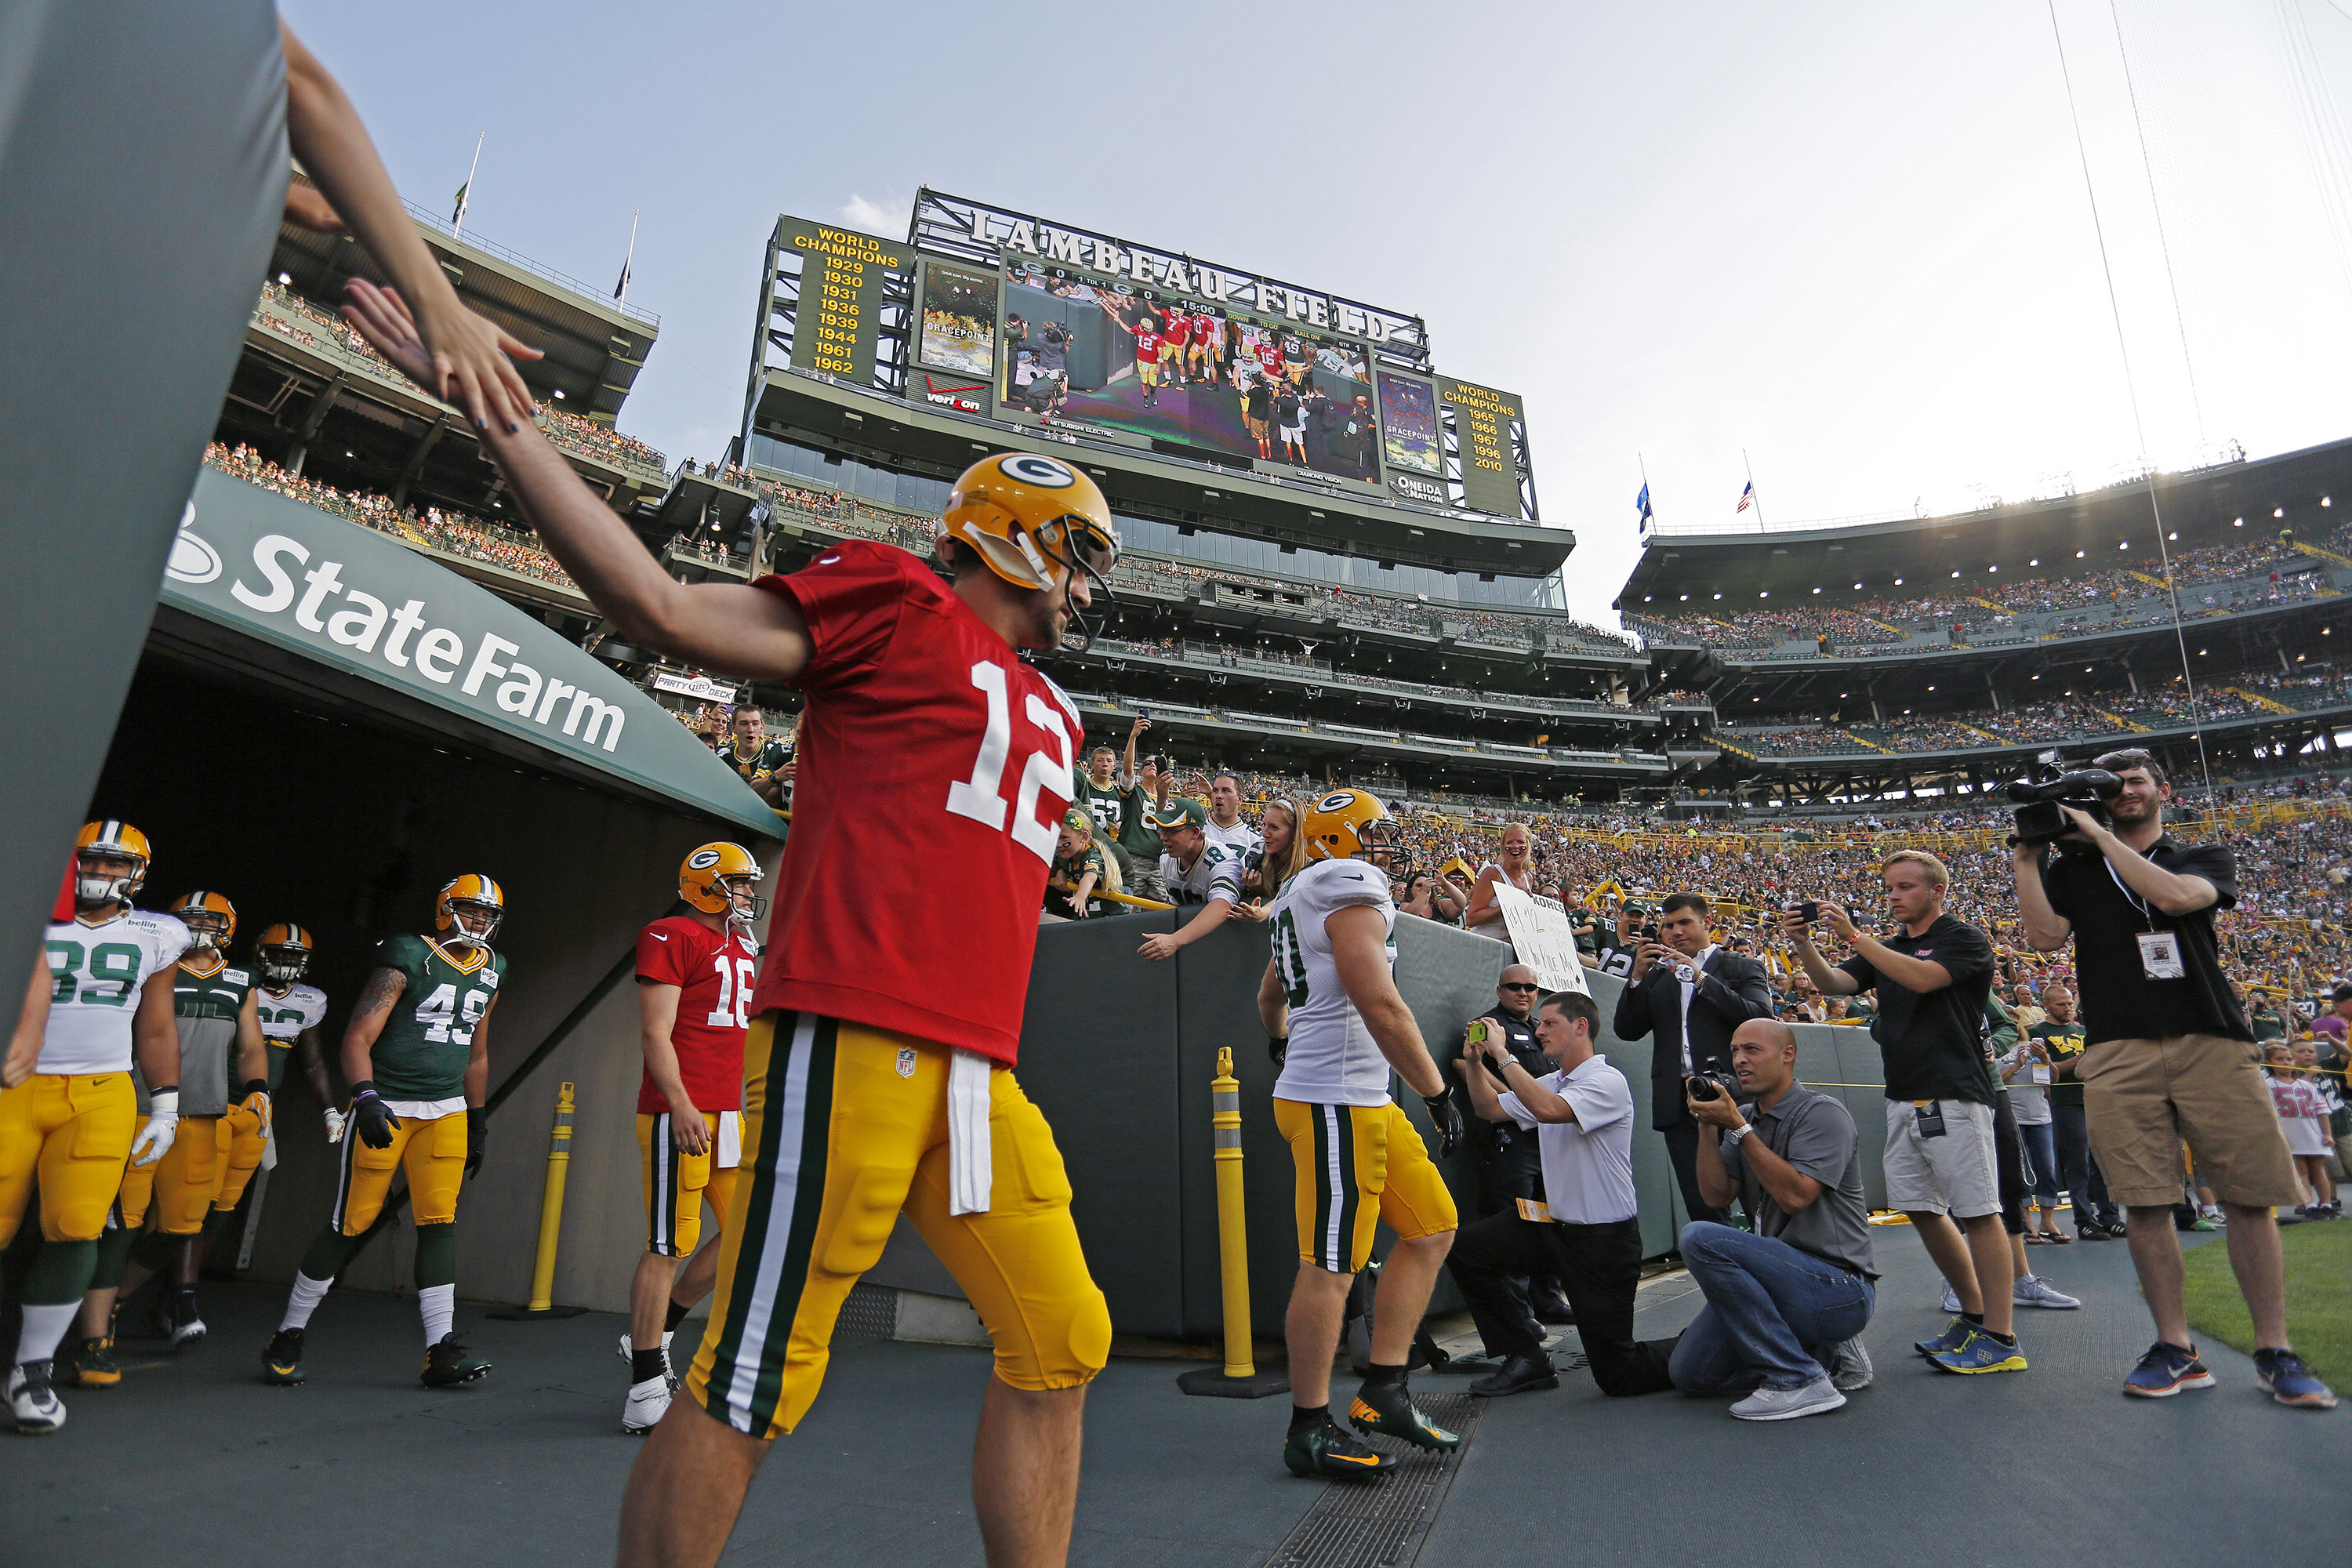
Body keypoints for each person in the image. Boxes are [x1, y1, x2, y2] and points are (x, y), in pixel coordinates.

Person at [332, 299, 1123, 1566]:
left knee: (1064, 1336)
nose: (1089, 587)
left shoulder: (1057, 711)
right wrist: (503, 419)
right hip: (850, 1041)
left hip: (980, 1070)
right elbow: (658, 605)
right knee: (757, 1375)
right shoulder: (898, 601)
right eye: (1078, 553)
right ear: (1017, 537)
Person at [2015, 749, 2334, 1406]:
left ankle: (2275, 1349)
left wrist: (2098, 834)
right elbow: (2044, 938)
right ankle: (2175, 1347)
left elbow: (2177, 898)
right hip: (2118, 1045)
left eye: (2134, 780)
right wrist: (2027, 857)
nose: (2124, 791)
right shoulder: (2074, 869)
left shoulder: (2200, 856)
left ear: (2162, 790)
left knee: (2247, 1197)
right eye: (2112, 785)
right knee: (2145, 1201)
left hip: (2209, 1036)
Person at [1258, 789, 1464, 1477]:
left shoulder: (1299, 892)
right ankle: (1309, 1427)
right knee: (1331, 1265)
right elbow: (1379, 1002)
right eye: (1372, 832)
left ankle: (1384, 1390)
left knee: (1431, 1228)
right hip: (1335, 1103)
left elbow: (1270, 997)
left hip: (1353, 1097)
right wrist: (1437, 1092)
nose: (1385, 846)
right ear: (1336, 839)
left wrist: (1283, 1040)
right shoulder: (1345, 883)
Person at [260, 875, 506, 1390]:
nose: (480, 920)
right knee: (350, 1222)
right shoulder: (408, 954)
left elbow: (477, 1054)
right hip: (389, 1103)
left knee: (439, 1221)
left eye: (488, 914)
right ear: (445, 909)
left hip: (447, 1109)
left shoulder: (494, 967)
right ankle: (288, 1333)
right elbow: (358, 1036)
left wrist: (478, 1118)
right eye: (471, 909)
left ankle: (440, 1350)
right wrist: (366, 1095)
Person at [1785, 851, 2024, 1376]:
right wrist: (1803, 945)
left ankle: (2002, 1336)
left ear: (1937, 891)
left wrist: (1855, 937)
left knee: (1979, 1212)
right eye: (1890, 887)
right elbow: (1835, 985)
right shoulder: (1888, 946)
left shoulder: (1964, 938)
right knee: (1919, 1207)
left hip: (1954, 1092)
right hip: (1903, 1093)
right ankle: (1974, 1315)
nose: (1893, 896)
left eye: (1905, 887)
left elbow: (1922, 979)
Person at [3, 824, 187, 1433]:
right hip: (16, 1082)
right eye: (91, 860)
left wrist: (166, 1106)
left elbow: (156, 1026)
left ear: (137, 874)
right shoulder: (27, 910)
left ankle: (31, 1370)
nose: (100, 872)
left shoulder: (159, 933)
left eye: (114, 864)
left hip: (103, 1089)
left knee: (78, 1226)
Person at [1449, 989, 1678, 1400]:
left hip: (1603, 1240)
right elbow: (1490, 1110)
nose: (1540, 1032)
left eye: (1550, 1023)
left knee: (1620, 1374)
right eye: (1541, 1024)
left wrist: (1502, 1054)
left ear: (1581, 1026)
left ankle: (1707, 1346)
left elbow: (1550, 1111)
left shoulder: (1606, 1081)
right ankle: (1527, 1357)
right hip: (1551, 1225)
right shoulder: (1552, 1082)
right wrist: (1474, 1062)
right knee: (1465, 1249)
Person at [84, 889, 270, 1358]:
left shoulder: (242, 980)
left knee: (183, 1226)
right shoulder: (154, 965)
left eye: (209, 920)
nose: (199, 928)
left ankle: (115, 1297)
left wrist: (258, 1089)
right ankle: (95, 1325)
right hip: (142, 1106)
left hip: (204, 1112)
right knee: (123, 1221)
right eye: (190, 919)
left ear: (228, 927)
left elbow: (251, 1046)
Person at [622, 844, 764, 1435]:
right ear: (707, 887)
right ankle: (643, 1388)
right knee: (669, 1244)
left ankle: (657, 1333)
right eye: (740, 883)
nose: (750, 893)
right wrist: (680, 1104)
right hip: (681, 1110)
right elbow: (655, 1032)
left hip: (729, 1111)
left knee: (747, 1233)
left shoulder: (741, 943)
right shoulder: (670, 934)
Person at [1670, 1018, 1876, 1420]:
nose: (1739, 1060)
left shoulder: (1822, 1114)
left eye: (1752, 1050)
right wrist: (1708, 1128)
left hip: (1840, 1288)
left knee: (1700, 1237)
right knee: (1692, 1374)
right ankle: (1824, 1357)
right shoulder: (1746, 1117)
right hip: (1779, 1280)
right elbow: (1716, 1195)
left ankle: (1798, 1378)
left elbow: (1796, 1197)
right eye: (1735, 1051)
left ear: (1787, 1054)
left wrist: (1739, 1128)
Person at [1613, 892, 1773, 1229]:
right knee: (1702, 1204)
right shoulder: (1658, 975)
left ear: (1707, 922)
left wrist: (1701, 978)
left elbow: (1760, 1019)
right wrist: (1638, 978)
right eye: (1669, 925)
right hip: (1679, 1102)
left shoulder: (1741, 966)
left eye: (1684, 922)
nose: (1675, 932)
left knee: (1760, 1199)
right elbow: (1626, 1030)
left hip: (1737, 1097)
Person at [1440, 964, 1574, 1348]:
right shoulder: (1487, 1026)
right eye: (1514, 986)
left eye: (1530, 987)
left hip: (1545, 1141)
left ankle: (1548, 1298)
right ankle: (1519, 1315)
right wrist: (1514, 1102)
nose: (1523, 992)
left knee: (1548, 1221)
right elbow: (1463, 1064)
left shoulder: (1542, 1030)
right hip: (1508, 1140)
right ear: (1500, 991)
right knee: (1509, 1223)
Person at [2032, 984, 2121, 1240]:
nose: (2068, 1008)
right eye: (2061, 1004)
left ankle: (2111, 1216)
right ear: (2046, 1005)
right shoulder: (2038, 1033)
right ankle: (2084, 1220)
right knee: (2078, 1164)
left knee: (2104, 1161)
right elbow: (2045, 1073)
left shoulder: (2083, 1031)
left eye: (2070, 1003)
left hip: (2096, 1099)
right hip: (2065, 1102)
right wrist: (2082, 1058)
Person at [1136, 798, 1243, 962]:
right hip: (1191, 943)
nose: (1163, 837)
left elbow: (1223, 906)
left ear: (1195, 832)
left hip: (1227, 946)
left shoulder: (1222, 861)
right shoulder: (1166, 858)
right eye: (1161, 830)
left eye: (1172, 831)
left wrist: (1175, 940)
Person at [2270, 1044, 2337, 1218]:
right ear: (2269, 1062)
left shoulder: (2306, 1085)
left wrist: (2327, 1134)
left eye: (2289, 1059)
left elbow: (2321, 1111)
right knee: (2301, 1172)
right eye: (2279, 1059)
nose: (2285, 1063)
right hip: (2289, 1135)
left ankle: (2326, 1204)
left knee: (2319, 1170)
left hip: (2312, 1133)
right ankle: (2309, 1204)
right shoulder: (2268, 1084)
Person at [1116, 720, 1170, 902]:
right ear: (1141, 771)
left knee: (1160, 907)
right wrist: (1133, 737)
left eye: (1157, 763)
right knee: (1127, 903)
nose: (1152, 765)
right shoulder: (1134, 790)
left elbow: (1164, 826)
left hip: (1159, 860)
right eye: (1147, 763)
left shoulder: (1167, 799)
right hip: (1134, 855)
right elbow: (1127, 769)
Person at [1461, 822, 1537, 935]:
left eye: (1520, 842)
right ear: (1503, 847)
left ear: (1529, 845)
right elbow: (1471, 919)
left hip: (1510, 944)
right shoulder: (1492, 874)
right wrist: (1507, 907)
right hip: (1485, 942)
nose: (1515, 846)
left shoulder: (1528, 878)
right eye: (1509, 842)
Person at [717, 706, 792, 808]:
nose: (750, 729)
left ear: (762, 727)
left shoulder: (778, 750)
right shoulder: (723, 754)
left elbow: (775, 798)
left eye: (755, 724)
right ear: (733, 728)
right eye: (744, 724)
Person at [1044, 808, 1111, 923]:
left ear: (1084, 837)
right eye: (1056, 837)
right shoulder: (1067, 856)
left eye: (1064, 838)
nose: (1059, 844)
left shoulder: (1093, 855)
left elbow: (1089, 877)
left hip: (1110, 918)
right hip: (1088, 918)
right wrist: (1060, 871)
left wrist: (1080, 895)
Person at [1204, 770, 1262, 860]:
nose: (1218, 795)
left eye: (1225, 791)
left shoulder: (1255, 840)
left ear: (1240, 799)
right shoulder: (1196, 831)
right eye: (1215, 791)